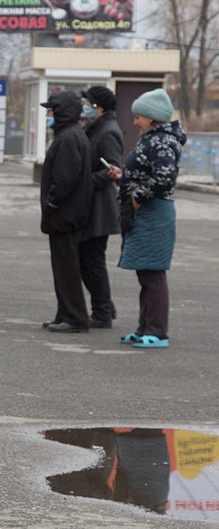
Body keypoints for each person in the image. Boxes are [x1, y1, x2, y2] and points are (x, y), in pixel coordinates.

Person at [106, 88, 186, 349]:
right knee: (145, 272)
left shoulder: (162, 141)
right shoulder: (152, 139)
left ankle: (157, 332)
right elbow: (150, 172)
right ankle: (145, 328)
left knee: (153, 272)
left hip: (153, 212)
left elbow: (164, 179)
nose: (134, 121)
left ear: (152, 118)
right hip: (147, 211)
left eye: (138, 116)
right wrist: (124, 177)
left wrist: (137, 196)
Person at [39, 90, 93, 333]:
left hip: (64, 215)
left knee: (67, 268)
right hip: (66, 215)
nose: (49, 115)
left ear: (62, 112)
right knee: (62, 268)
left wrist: (51, 203)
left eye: (51, 110)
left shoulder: (69, 137)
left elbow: (65, 179)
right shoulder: (70, 135)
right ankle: (65, 313)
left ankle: (74, 317)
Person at [79, 85, 123, 329]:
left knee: (93, 261)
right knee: (86, 261)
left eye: (88, 101)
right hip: (91, 206)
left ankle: (102, 312)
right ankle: (104, 305)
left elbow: (112, 169)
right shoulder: (94, 127)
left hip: (100, 208)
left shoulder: (108, 131)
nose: (85, 104)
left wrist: (84, 184)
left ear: (99, 106)